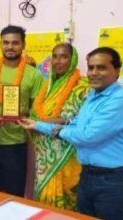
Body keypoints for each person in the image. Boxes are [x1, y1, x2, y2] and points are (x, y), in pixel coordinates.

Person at [18, 47, 123, 220]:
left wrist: (55, 129)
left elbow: (86, 136)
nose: (94, 73)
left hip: (113, 180)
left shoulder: (120, 100)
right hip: (88, 175)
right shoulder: (92, 96)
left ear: (117, 70)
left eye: (101, 68)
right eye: (91, 68)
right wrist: (35, 124)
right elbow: (75, 123)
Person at [0, 25, 43, 196]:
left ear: (23, 45)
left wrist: (23, 115)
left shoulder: (33, 74)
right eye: (6, 42)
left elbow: (37, 108)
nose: (10, 47)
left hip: (16, 143)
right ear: (0, 44)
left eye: (15, 43)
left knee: (14, 194)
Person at [29, 43, 90, 210]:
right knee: (44, 199)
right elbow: (36, 114)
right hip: (44, 156)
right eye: (55, 56)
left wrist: (46, 123)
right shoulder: (46, 86)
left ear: (73, 59)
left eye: (64, 56)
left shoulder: (84, 86)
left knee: (68, 197)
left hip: (68, 153)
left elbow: (82, 120)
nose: (58, 61)